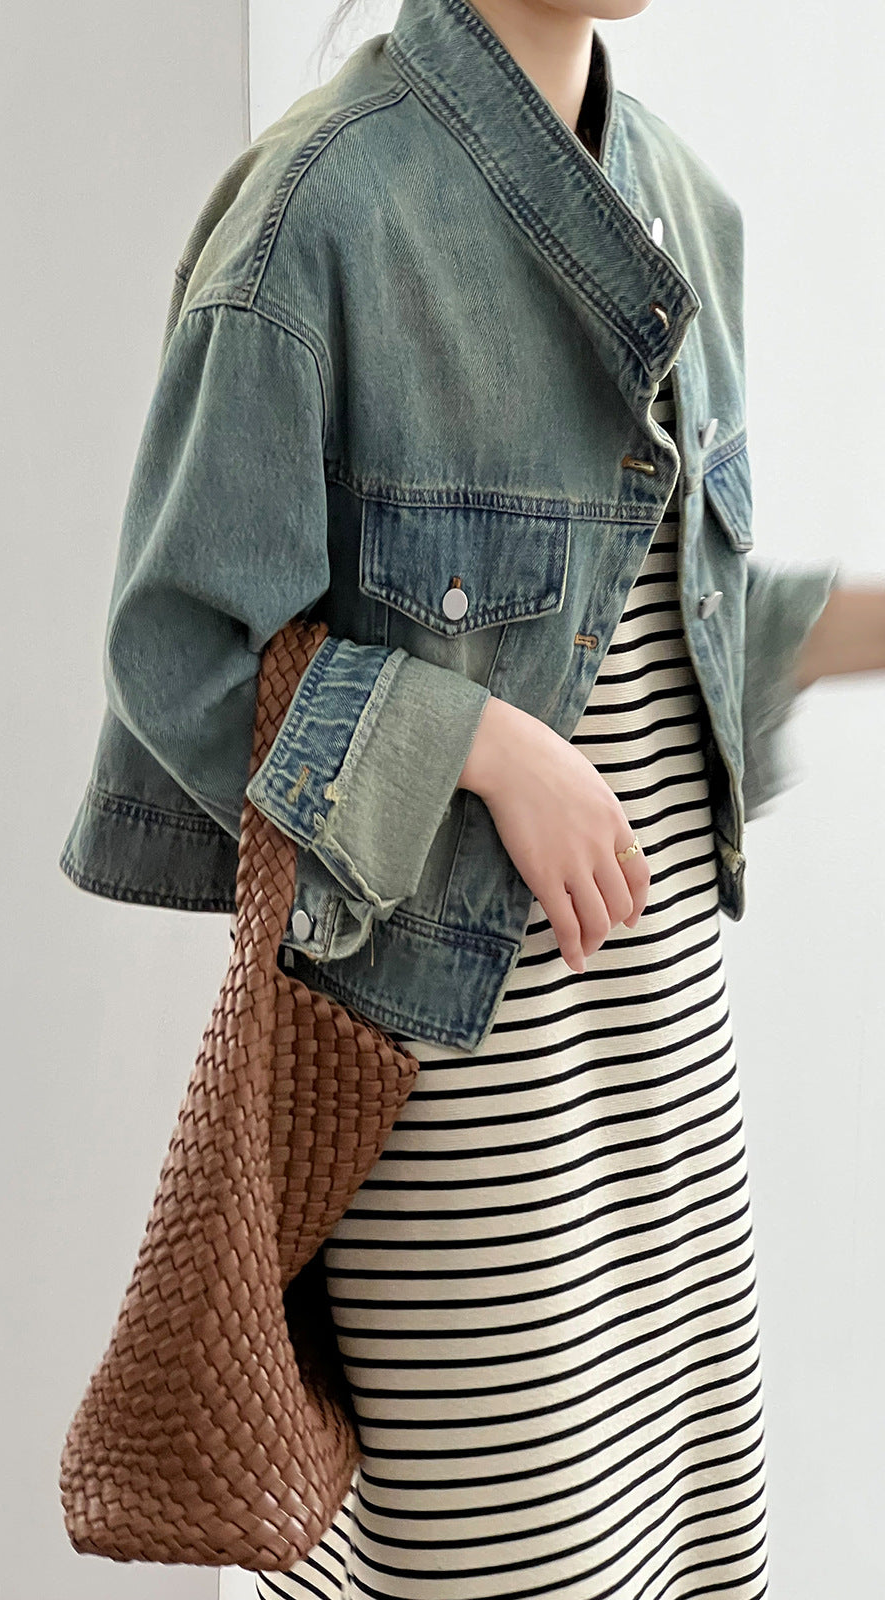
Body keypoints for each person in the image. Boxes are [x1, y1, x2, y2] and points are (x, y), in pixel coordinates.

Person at [63, 0, 885, 1591]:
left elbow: (665, 648)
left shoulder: (683, 205)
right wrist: (483, 746)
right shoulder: (320, 214)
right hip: (458, 1127)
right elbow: (180, 656)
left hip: (666, 1087)